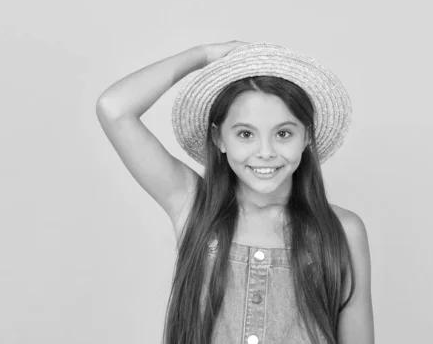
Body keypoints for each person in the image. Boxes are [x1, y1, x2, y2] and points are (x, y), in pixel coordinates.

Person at [96, 41, 375, 344]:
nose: (265, 152)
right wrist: (202, 56)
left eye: (283, 133)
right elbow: (114, 109)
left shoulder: (342, 230)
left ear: (306, 136)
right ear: (219, 138)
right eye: (245, 134)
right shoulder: (195, 208)